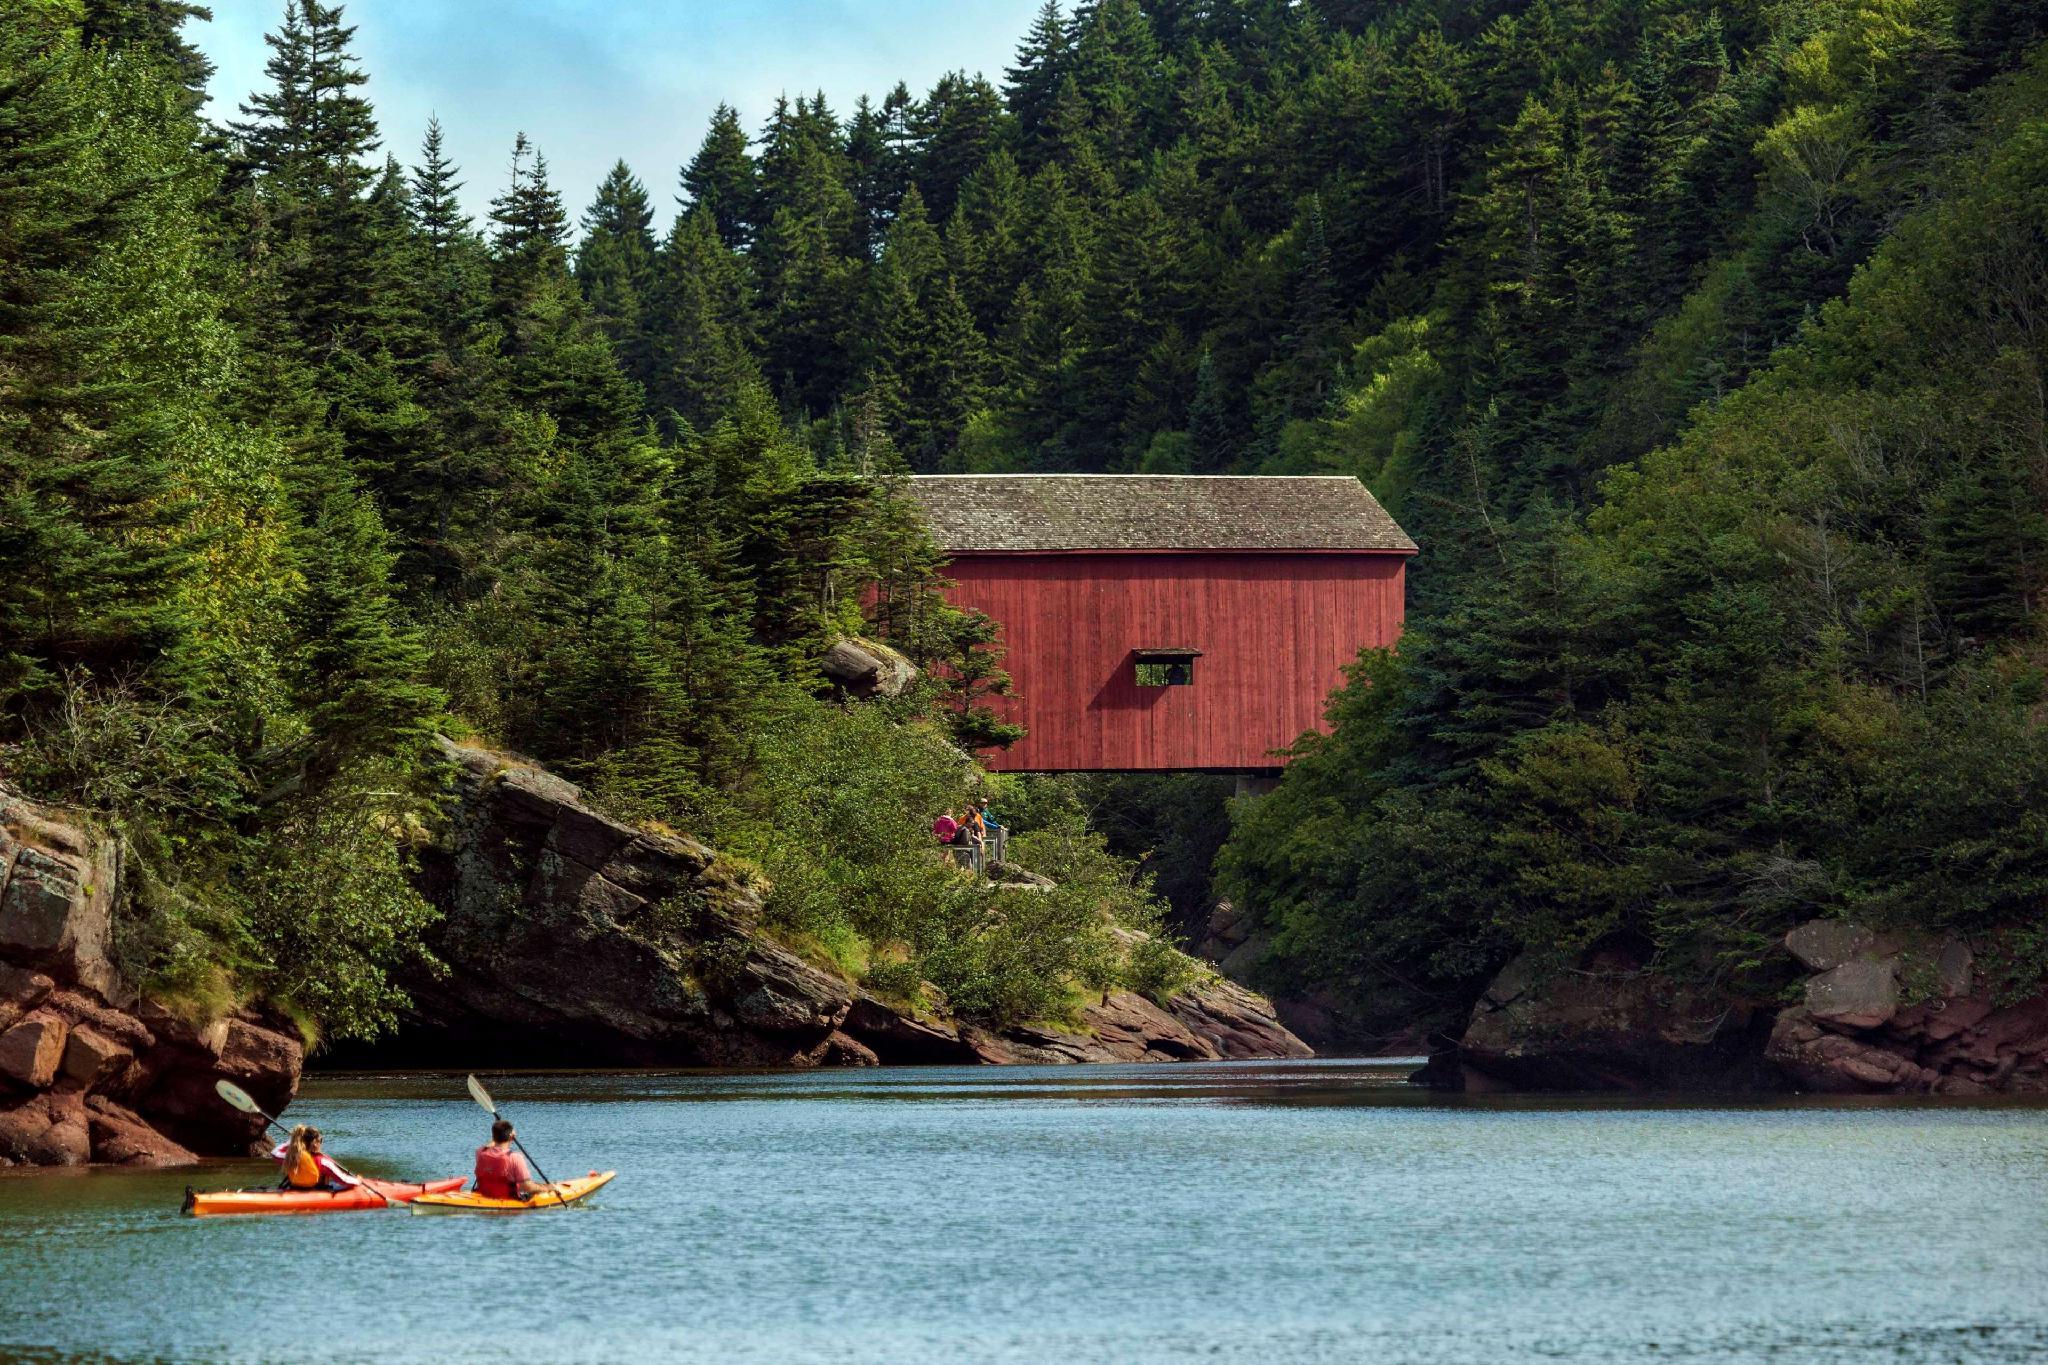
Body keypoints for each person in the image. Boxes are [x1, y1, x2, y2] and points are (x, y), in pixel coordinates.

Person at [271, 1125, 361, 1192]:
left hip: (294, 1188)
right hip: (318, 1191)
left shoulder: (293, 1156)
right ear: (315, 1142)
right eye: (320, 1140)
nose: (321, 1143)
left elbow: (274, 1152)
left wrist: (293, 1140)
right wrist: (358, 1180)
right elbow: (343, 1180)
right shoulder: (323, 1161)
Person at [474, 1118, 547, 1200]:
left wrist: (498, 1133)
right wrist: (548, 1188)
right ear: (512, 1137)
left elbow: (489, 1145)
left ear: (493, 1136)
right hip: (507, 1199)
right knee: (532, 1188)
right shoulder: (515, 1157)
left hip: (483, 1195)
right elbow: (526, 1187)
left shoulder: (480, 1152)